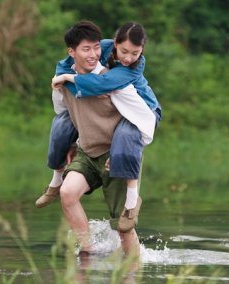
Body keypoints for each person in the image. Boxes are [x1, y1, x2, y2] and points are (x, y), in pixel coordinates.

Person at [35, 22, 162, 215]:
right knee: (61, 123)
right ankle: (56, 180)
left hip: (144, 108)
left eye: (135, 53)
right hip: (115, 102)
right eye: (124, 51)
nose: (128, 58)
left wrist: (69, 79)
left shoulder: (136, 65)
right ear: (115, 43)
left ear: (142, 50)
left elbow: (104, 84)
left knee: (125, 134)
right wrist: (62, 78)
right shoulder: (101, 47)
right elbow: (64, 65)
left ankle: (132, 198)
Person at [51, 21, 145, 256]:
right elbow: (63, 113)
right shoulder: (64, 79)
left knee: (123, 229)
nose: (93, 54)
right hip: (87, 151)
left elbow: (138, 119)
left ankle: (132, 272)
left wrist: (122, 153)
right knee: (67, 193)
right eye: (86, 49)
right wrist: (72, 143)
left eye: (95, 48)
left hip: (114, 156)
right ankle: (88, 255)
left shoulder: (114, 80)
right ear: (71, 52)